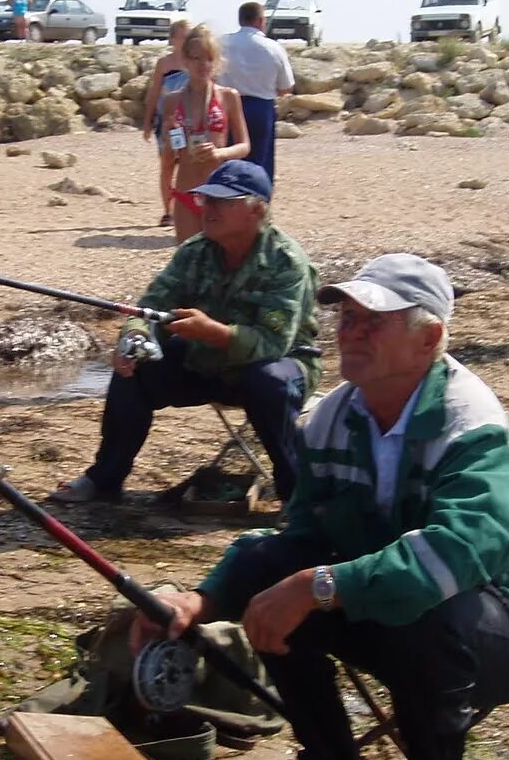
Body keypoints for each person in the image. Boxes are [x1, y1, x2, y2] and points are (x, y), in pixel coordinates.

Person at [131, 254, 509, 760]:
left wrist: (321, 584)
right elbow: (302, 534)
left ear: (430, 339)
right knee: (272, 578)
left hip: (501, 628)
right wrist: (198, 602)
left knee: (425, 608)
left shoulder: (471, 423)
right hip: (382, 609)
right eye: (347, 318)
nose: (350, 333)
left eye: (374, 322)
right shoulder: (332, 418)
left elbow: (461, 552)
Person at [50, 160, 319, 505]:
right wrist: (134, 338)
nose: (207, 208)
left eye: (222, 201)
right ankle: (104, 478)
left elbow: (272, 343)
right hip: (207, 361)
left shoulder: (287, 262)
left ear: (256, 210)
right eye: (206, 199)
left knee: (269, 381)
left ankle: (296, 494)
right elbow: (151, 306)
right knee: (134, 369)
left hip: (278, 365)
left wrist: (214, 332)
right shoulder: (195, 251)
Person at [159, 24, 250, 244]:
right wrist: (171, 137)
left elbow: (245, 146)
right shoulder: (173, 100)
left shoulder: (228, 97)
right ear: (186, 61)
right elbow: (169, 157)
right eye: (197, 58)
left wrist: (220, 153)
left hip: (220, 193)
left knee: (222, 263)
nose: (204, 65)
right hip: (186, 191)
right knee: (189, 264)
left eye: (209, 58)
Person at [220, 1, 295, 183]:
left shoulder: (222, 43)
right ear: (260, 21)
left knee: (228, 158)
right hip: (261, 107)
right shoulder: (273, 48)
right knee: (260, 161)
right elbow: (286, 87)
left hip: (226, 105)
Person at [142, 19, 191, 228]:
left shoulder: (196, 63)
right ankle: (167, 211)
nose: (187, 41)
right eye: (183, 36)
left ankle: (187, 208)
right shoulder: (165, 63)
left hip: (190, 121)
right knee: (167, 165)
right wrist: (147, 121)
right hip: (167, 122)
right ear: (172, 39)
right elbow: (154, 93)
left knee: (189, 165)